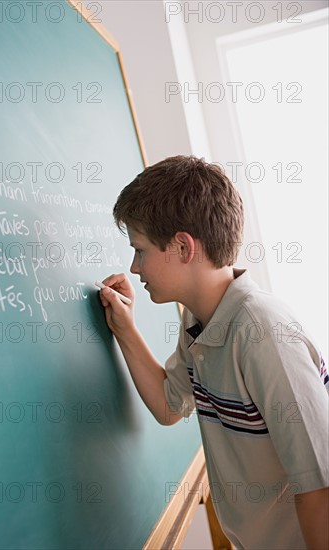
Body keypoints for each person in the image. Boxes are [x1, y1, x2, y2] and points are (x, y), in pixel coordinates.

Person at [98, 155, 328, 550]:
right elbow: (170, 406)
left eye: (140, 250)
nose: (135, 267)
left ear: (183, 247)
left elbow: (320, 487)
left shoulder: (261, 332)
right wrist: (124, 328)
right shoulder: (200, 323)